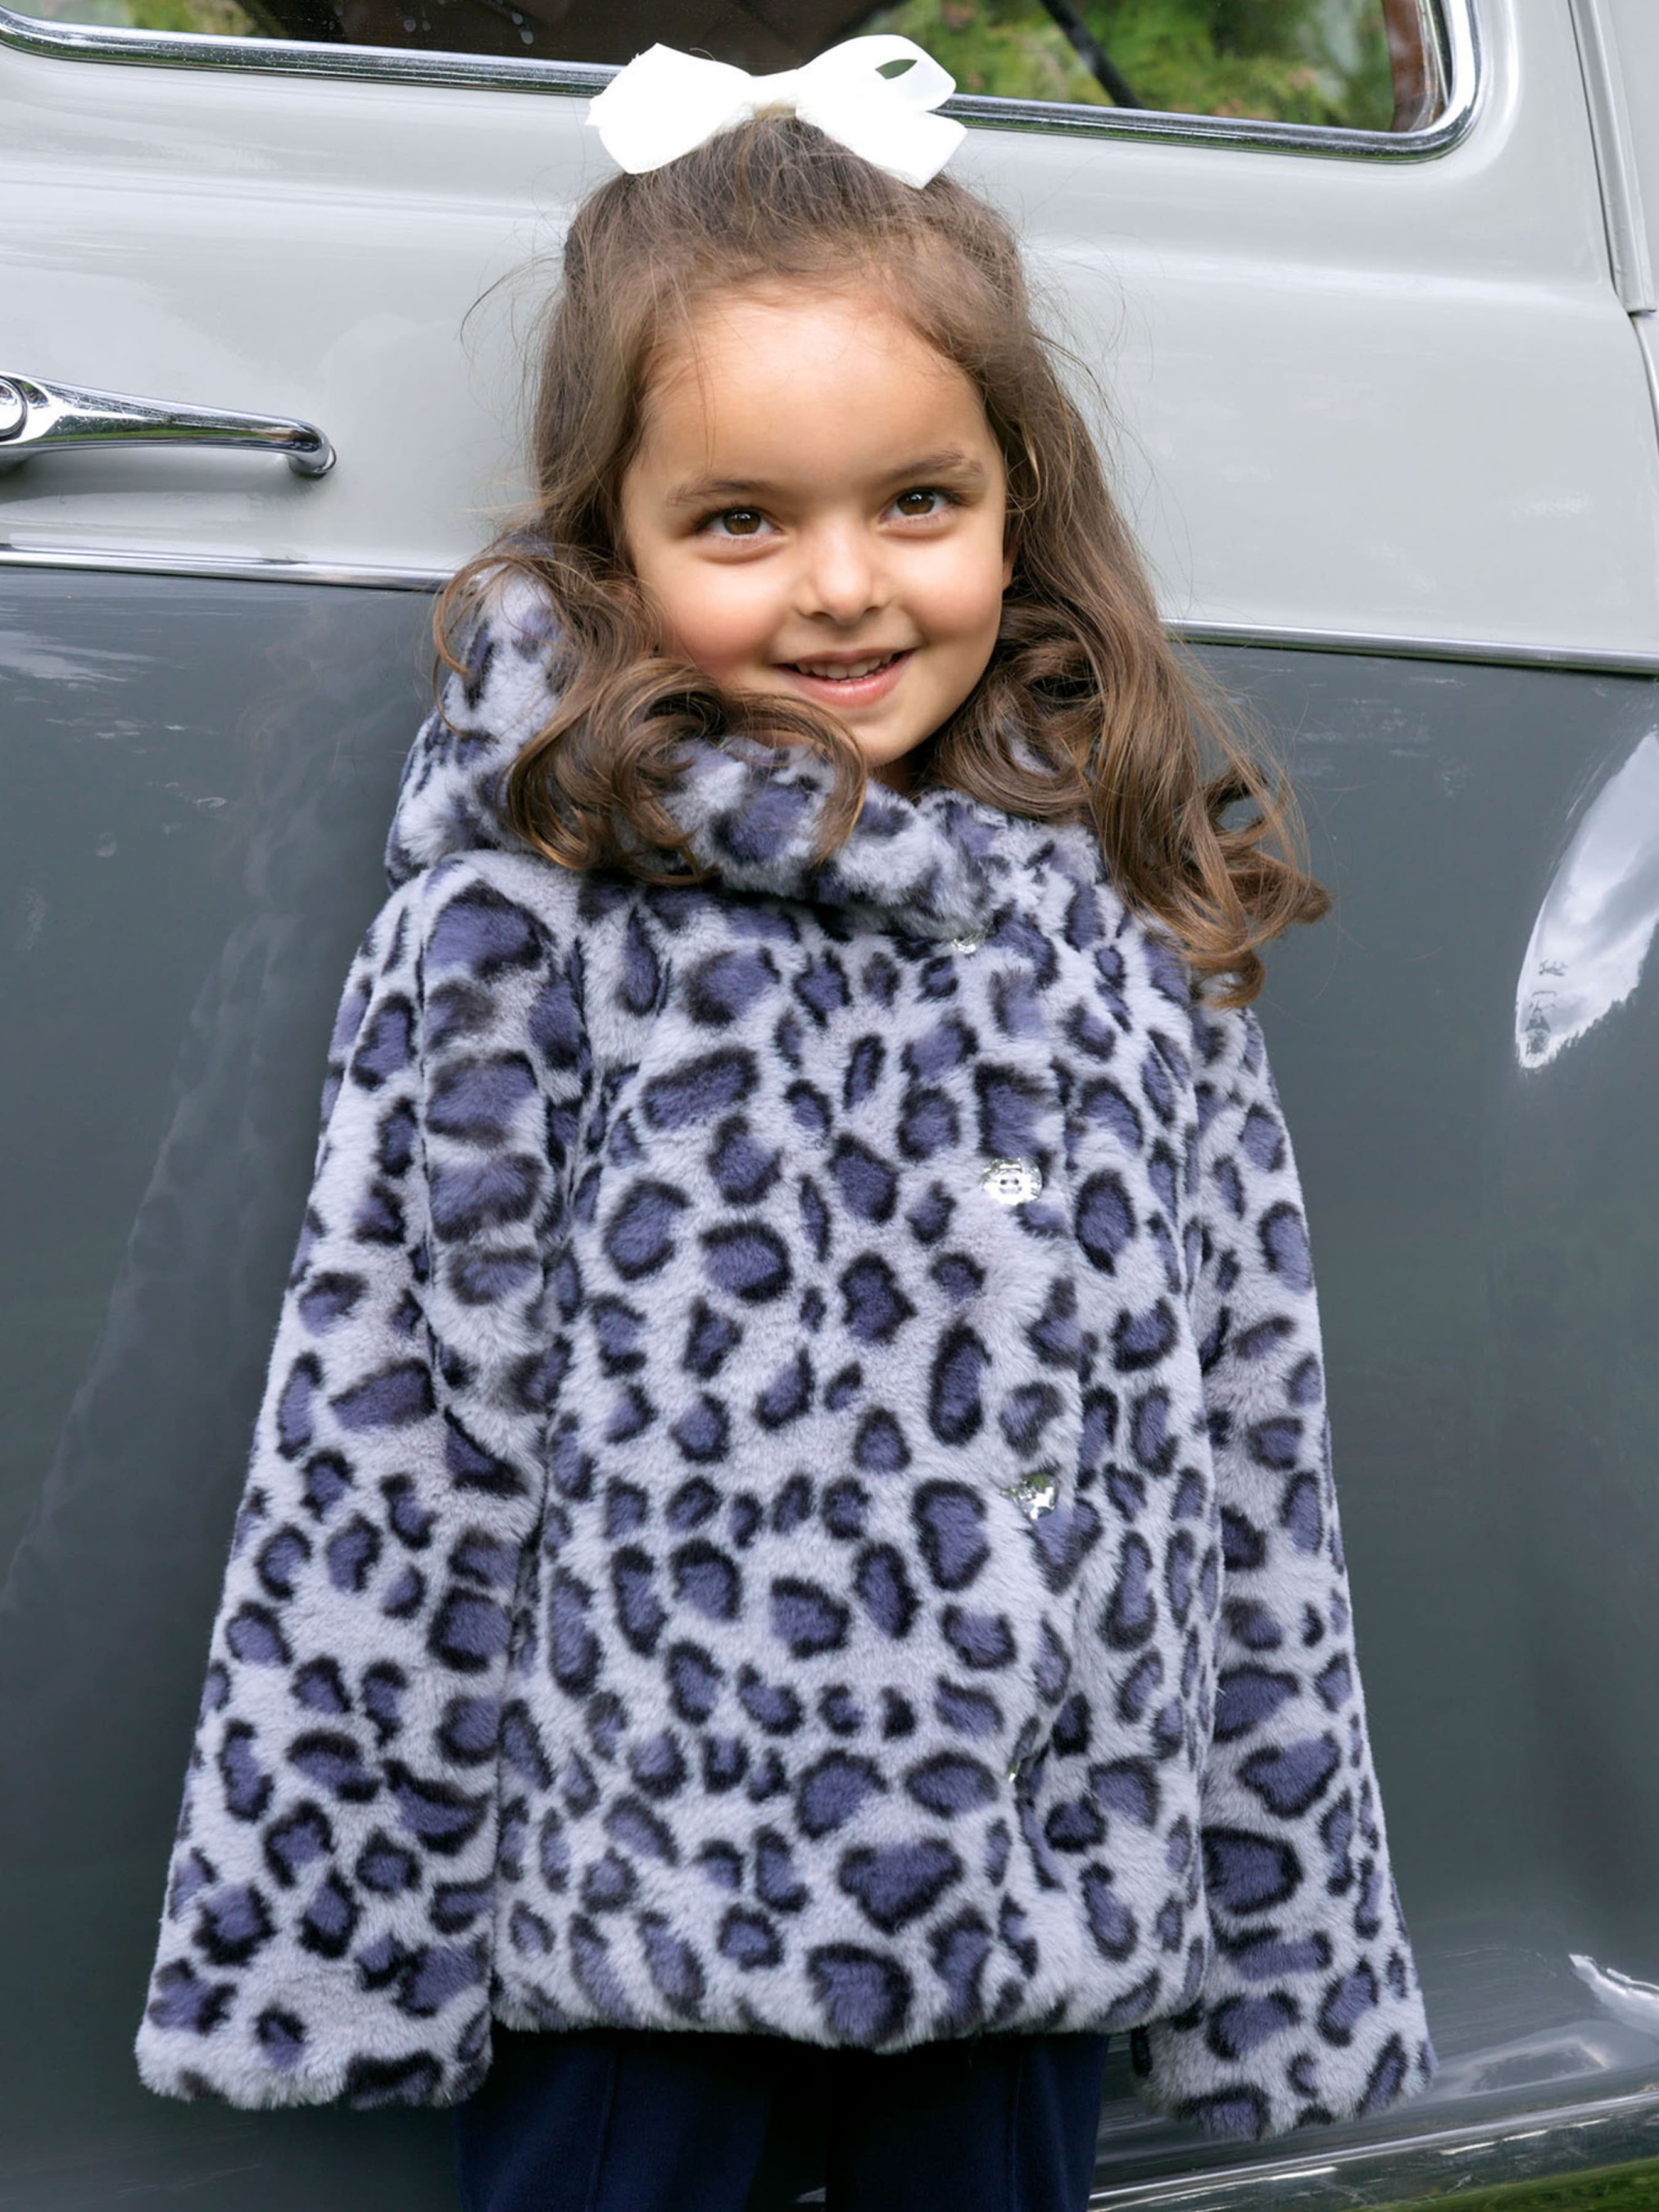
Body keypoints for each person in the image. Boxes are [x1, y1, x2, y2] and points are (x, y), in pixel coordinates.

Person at [134, 36, 1435, 2211]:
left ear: (1015, 506)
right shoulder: (534, 914)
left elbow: (1247, 1446)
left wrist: (1277, 1937)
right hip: (642, 1923)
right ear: (617, 541)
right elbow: (384, 1432)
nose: (841, 585)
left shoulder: (1114, 912)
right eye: (741, 520)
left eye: (916, 503)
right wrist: (342, 1936)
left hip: (1024, 1909)